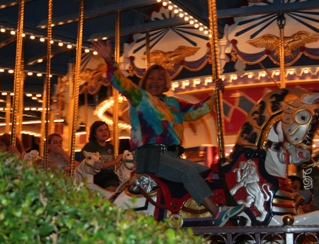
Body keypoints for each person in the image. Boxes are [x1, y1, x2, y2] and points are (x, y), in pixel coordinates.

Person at [91, 40, 245, 226]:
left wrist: (216, 94)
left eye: (160, 78)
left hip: (171, 154)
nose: (155, 81)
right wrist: (110, 61)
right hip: (150, 154)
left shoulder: (173, 104)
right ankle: (217, 214)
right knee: (187, 172)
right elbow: (121, 83)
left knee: (209, 173)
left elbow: (198, 110)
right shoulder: (140, 97)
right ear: (145, 81)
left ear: (166, 83)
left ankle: (198, 212)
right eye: (152, 78)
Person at [80, 121, 123, 191]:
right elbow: (98, 165)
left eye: (106, 130)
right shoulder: (90, 146)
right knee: (111, 182)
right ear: (94, 134)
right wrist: (115, 161)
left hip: (110, 175)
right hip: (96, 175)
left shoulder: (111, 147)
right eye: (100, 130)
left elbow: (114, 165)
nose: (104, 132)